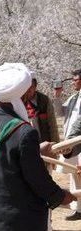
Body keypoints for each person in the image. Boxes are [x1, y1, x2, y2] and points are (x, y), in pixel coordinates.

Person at [0, 63, 76, 230]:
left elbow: (3, 159)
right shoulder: (25, 132)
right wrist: (60, 196)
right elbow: (37, 179)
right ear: (24, 94)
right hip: (16, 220)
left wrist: (34, 151)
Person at [53, 68, 81, 220]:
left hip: (78, 142)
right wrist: (57, 96)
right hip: (71, 143)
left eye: (75, 80)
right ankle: (78, 209)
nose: (73, 83)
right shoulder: (74, 98)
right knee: (74, 175)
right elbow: (59, 112)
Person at [24, 76, 59, 143]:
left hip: (44, 141)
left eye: (31, 87)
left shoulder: (44, 100)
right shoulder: (19, 102)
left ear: (35, 87)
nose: (28, 90)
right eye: (26, 87)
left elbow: (52, 124)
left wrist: (55, 144)